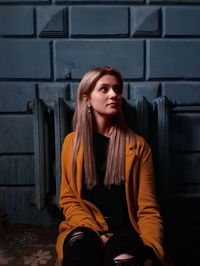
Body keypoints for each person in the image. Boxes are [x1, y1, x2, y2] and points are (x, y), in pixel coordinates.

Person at [56, 67, 165, 266]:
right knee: (80, 253)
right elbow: (69, 200)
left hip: (125, 232)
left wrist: (151, 249)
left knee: (122, 261)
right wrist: (97, 235)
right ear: (87, 99)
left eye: (117, 89)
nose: (114, 94)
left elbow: (147, 209)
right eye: (104, 89)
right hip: (85, 228)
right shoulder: (72, 143)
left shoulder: (138, 147)